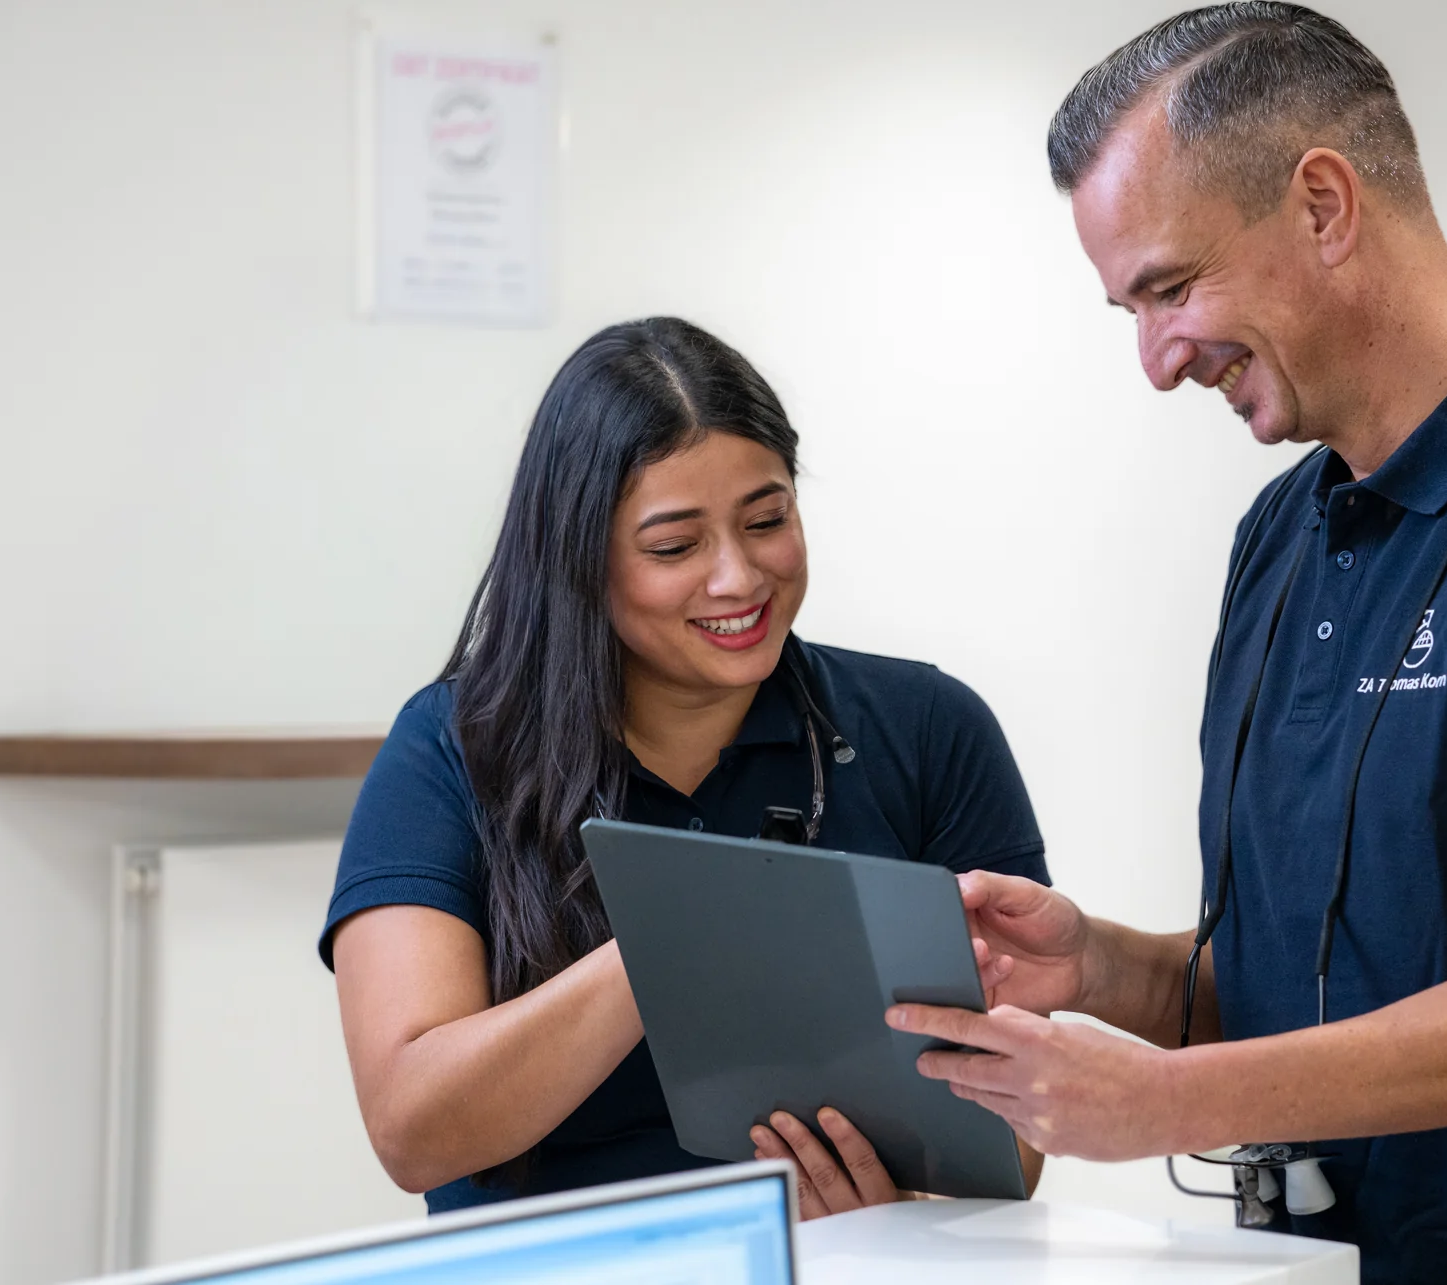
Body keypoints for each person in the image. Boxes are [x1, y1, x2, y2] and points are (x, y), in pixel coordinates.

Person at [888, 2, 1447, 1283]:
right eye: (1127, 312)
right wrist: (1100, 964)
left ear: (1323, 204)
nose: (1156, 362)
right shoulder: (1278, 536)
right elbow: (1290, 994)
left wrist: (1170, 1102)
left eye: (1168, 287)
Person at [319, 317, 1050, 1220]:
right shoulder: (452, 749)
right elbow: (412, 1127)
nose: (739, 577)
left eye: (768, 519)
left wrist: (898, 1199)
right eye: (675, 546)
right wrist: (685, 933)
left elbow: (1017, 1142)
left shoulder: (929, 728)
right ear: (578, 558)